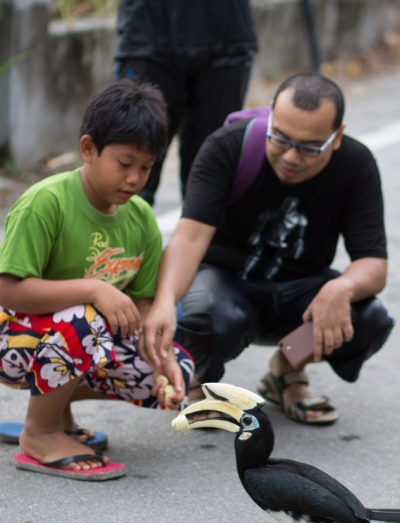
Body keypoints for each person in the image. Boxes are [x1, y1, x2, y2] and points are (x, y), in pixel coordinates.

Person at [141, 72, 393, 426]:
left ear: (336, 137)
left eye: (308, 147)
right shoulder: (227, 146)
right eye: (281, 138)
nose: (291, 156)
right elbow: (190, 236)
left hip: (299, 295)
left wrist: (342, 287)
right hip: (224, 286)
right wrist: (164, 302)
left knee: (369, 319)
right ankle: (201, 380)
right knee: (205, 317)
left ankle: (287, 371)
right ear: (272, 113)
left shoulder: (356, 164)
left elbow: (373, 261)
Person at [0, 79, 193, 480]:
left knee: (175, 364)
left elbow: (141, 303)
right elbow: (7, 289)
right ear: (88, 149)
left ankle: (56, 412)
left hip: (68, 339)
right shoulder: (46, 202)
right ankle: (41, 432)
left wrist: (162, 361)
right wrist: (94, 288)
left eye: (146, 166)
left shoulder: (140, 219)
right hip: (11, 337)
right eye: (125, 164)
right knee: (88, 318)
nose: (135, 178)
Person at [114, 0, 257, 206]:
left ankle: (197, 236)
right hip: (149, 31)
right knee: (133, 155)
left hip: (226, 34)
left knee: (210, 170)